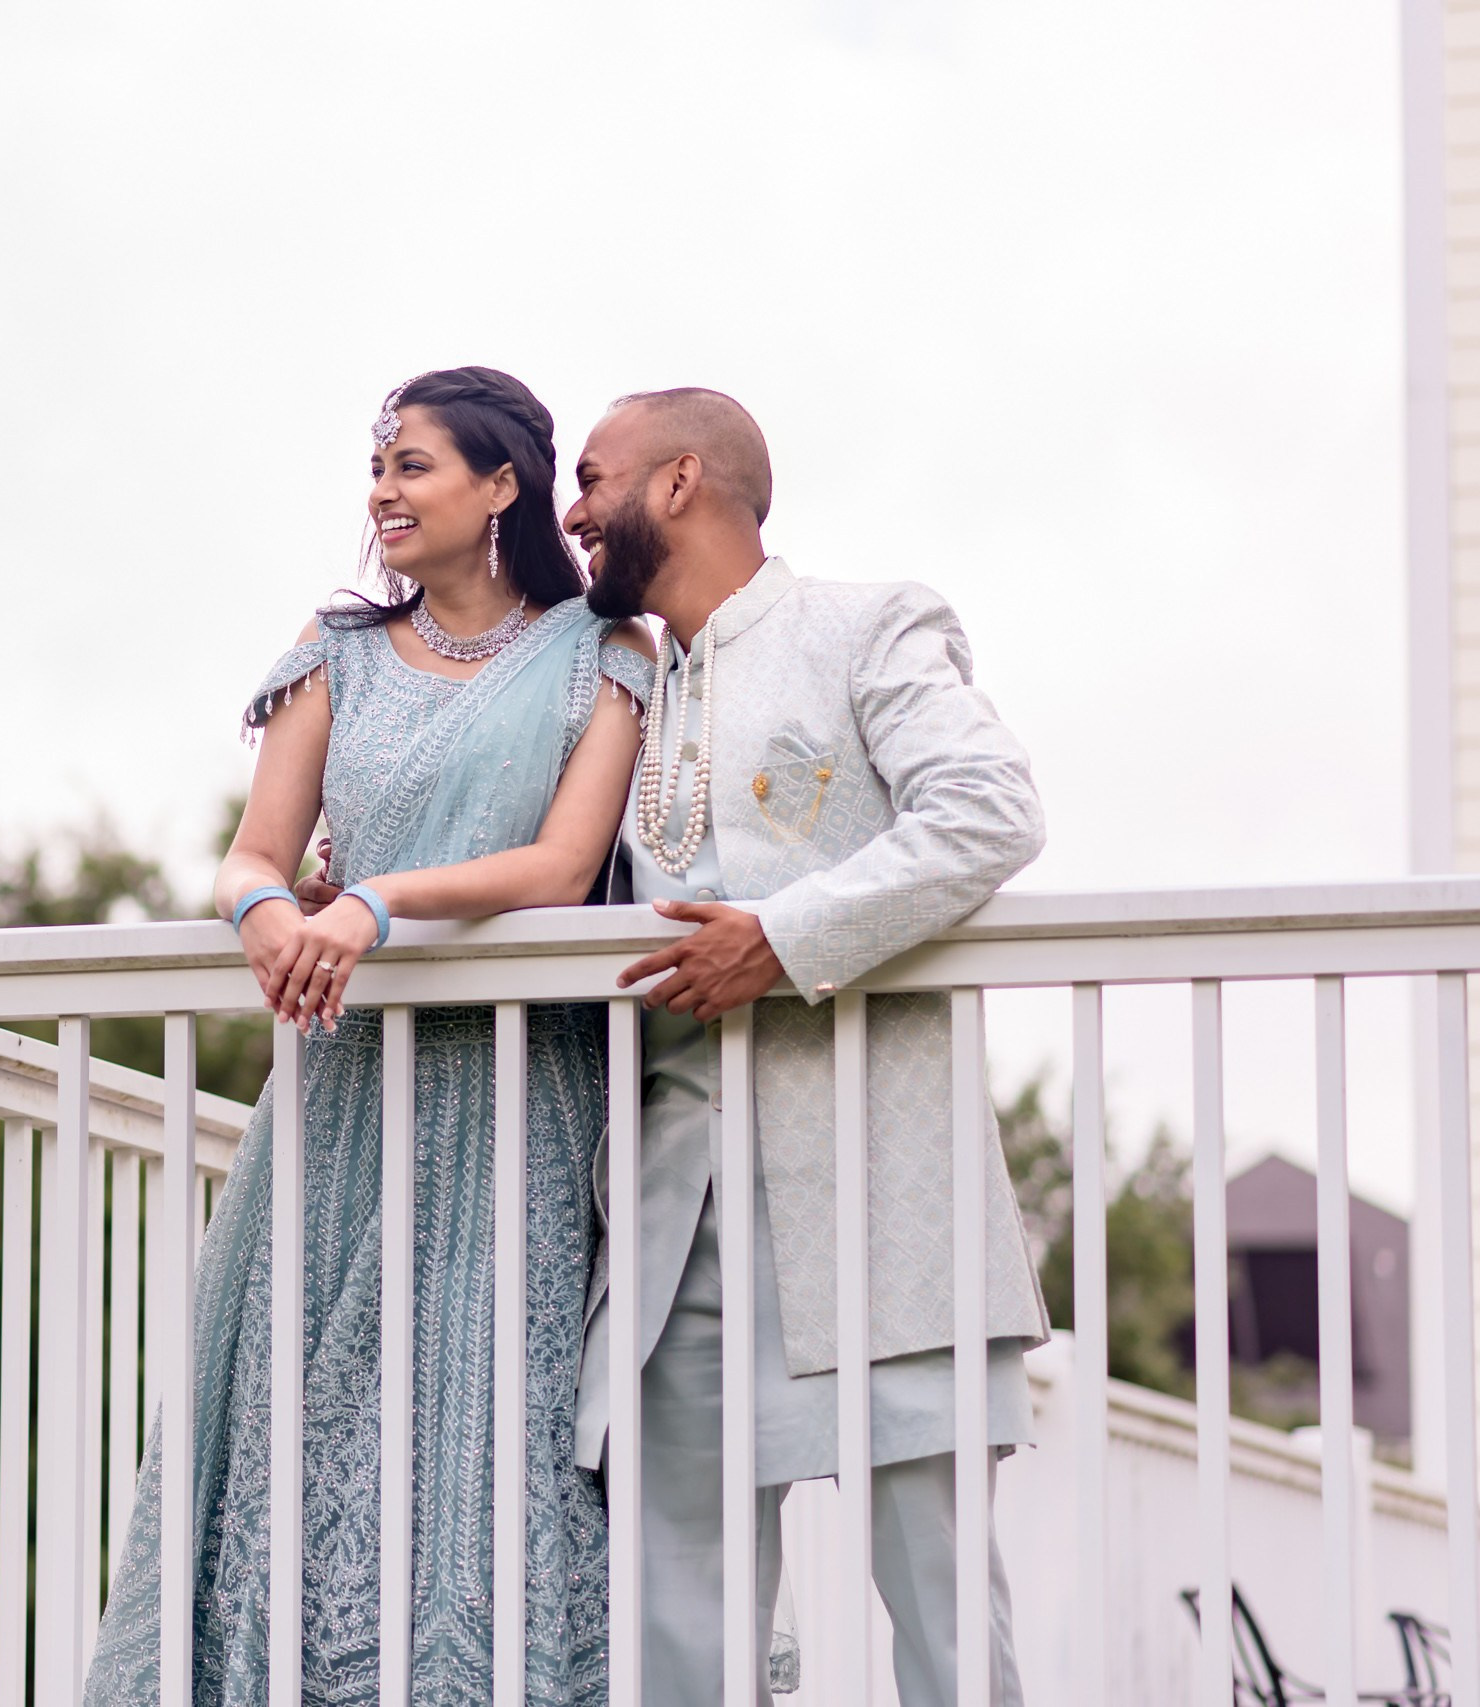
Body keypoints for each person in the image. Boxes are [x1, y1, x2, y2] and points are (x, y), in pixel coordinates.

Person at [80, 367, 656, 1707]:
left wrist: (378, 905)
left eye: (416, 467)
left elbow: (565, 869)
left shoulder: (605, 656)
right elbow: (249, 855)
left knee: (484, 1426)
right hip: (342, 1093)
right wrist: (274, 911)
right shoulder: (336, 649)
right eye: (380, 468)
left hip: (517, 1096)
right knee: (310, 1415)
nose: (384, 493)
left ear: (501, 485)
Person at [568, 388, 1049, 1706]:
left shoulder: (865, 624)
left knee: (946, 1621)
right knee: (679, 1634)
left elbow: (990, 812)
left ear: (678, 483)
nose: (571, 508)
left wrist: (779, 940)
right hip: (677, 1226)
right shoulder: (613, 689)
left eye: (591, 474)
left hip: (881, 1195)